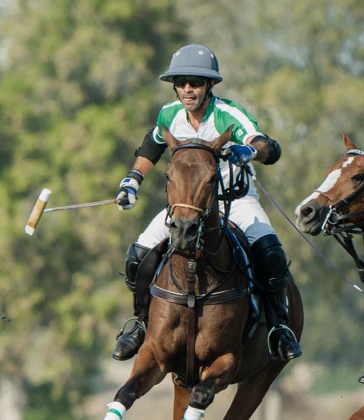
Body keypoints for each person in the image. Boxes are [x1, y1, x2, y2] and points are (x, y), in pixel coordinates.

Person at [111, 43, 301, 363]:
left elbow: (267, 145)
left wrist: (250, 151)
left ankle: (278, 327)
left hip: (236, 201)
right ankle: (140, 323)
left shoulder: (228, 114)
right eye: (182, 82)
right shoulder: (169, 114)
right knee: (136, 257)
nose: (187, 89)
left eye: (196, 82)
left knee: (270, 254)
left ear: (210, 85)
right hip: (189, 205)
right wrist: (132, 180)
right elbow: (152, 146)